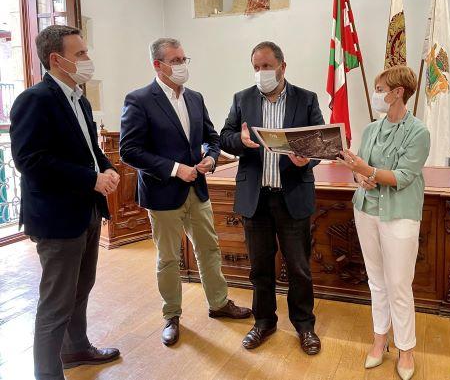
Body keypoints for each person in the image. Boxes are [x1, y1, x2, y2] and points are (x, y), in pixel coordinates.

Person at [119, 38, 251, 347]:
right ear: (158, 65)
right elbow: (129, 150)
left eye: (183, 59)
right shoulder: (139, 100)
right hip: (163, 192)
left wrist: (210, 156)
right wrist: (176, 168)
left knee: (209, 248)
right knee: (168, 258)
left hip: (197, 189)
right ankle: (172, 315)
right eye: (175, 60)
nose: (182, 65)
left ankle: (219, 304)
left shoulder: (195, 97)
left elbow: (212, 137)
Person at [10, 25, 121, 380]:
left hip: (85, 210)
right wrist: (91, 178)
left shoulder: (80, 98)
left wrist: (107, 167)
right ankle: (47, 374)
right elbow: (30, 160)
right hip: (56, 216)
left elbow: (88, 149)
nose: (88, 60)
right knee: (55, 303)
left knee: (81, 286)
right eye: (81, 54)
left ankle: (76, 348)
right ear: (56, 59)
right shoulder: (35, 100)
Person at [220, 41, 325, 355]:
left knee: (299, 268)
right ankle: (263, 322)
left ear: (282, 66)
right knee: (260, 268)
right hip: (257, 198)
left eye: (266, 66)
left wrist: (308, 158)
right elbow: (224, 135)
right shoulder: (242, 99)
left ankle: (305, 325)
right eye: (256, 67)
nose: (261, 72)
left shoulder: (306, 99)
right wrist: (238, 141)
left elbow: (321, 141)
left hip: (292, 195)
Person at [339, 65, 430, 380]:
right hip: (366, 211)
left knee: (399, 285)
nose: (377, 94)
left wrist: (369, 172)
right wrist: (359, 175)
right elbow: (359, 169)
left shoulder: (418, 132)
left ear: (398, 93)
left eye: (380, 89)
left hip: (399, 214)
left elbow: (404, 176)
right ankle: (380, 339)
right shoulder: (371, 129)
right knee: (376, 281)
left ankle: (406, 348)